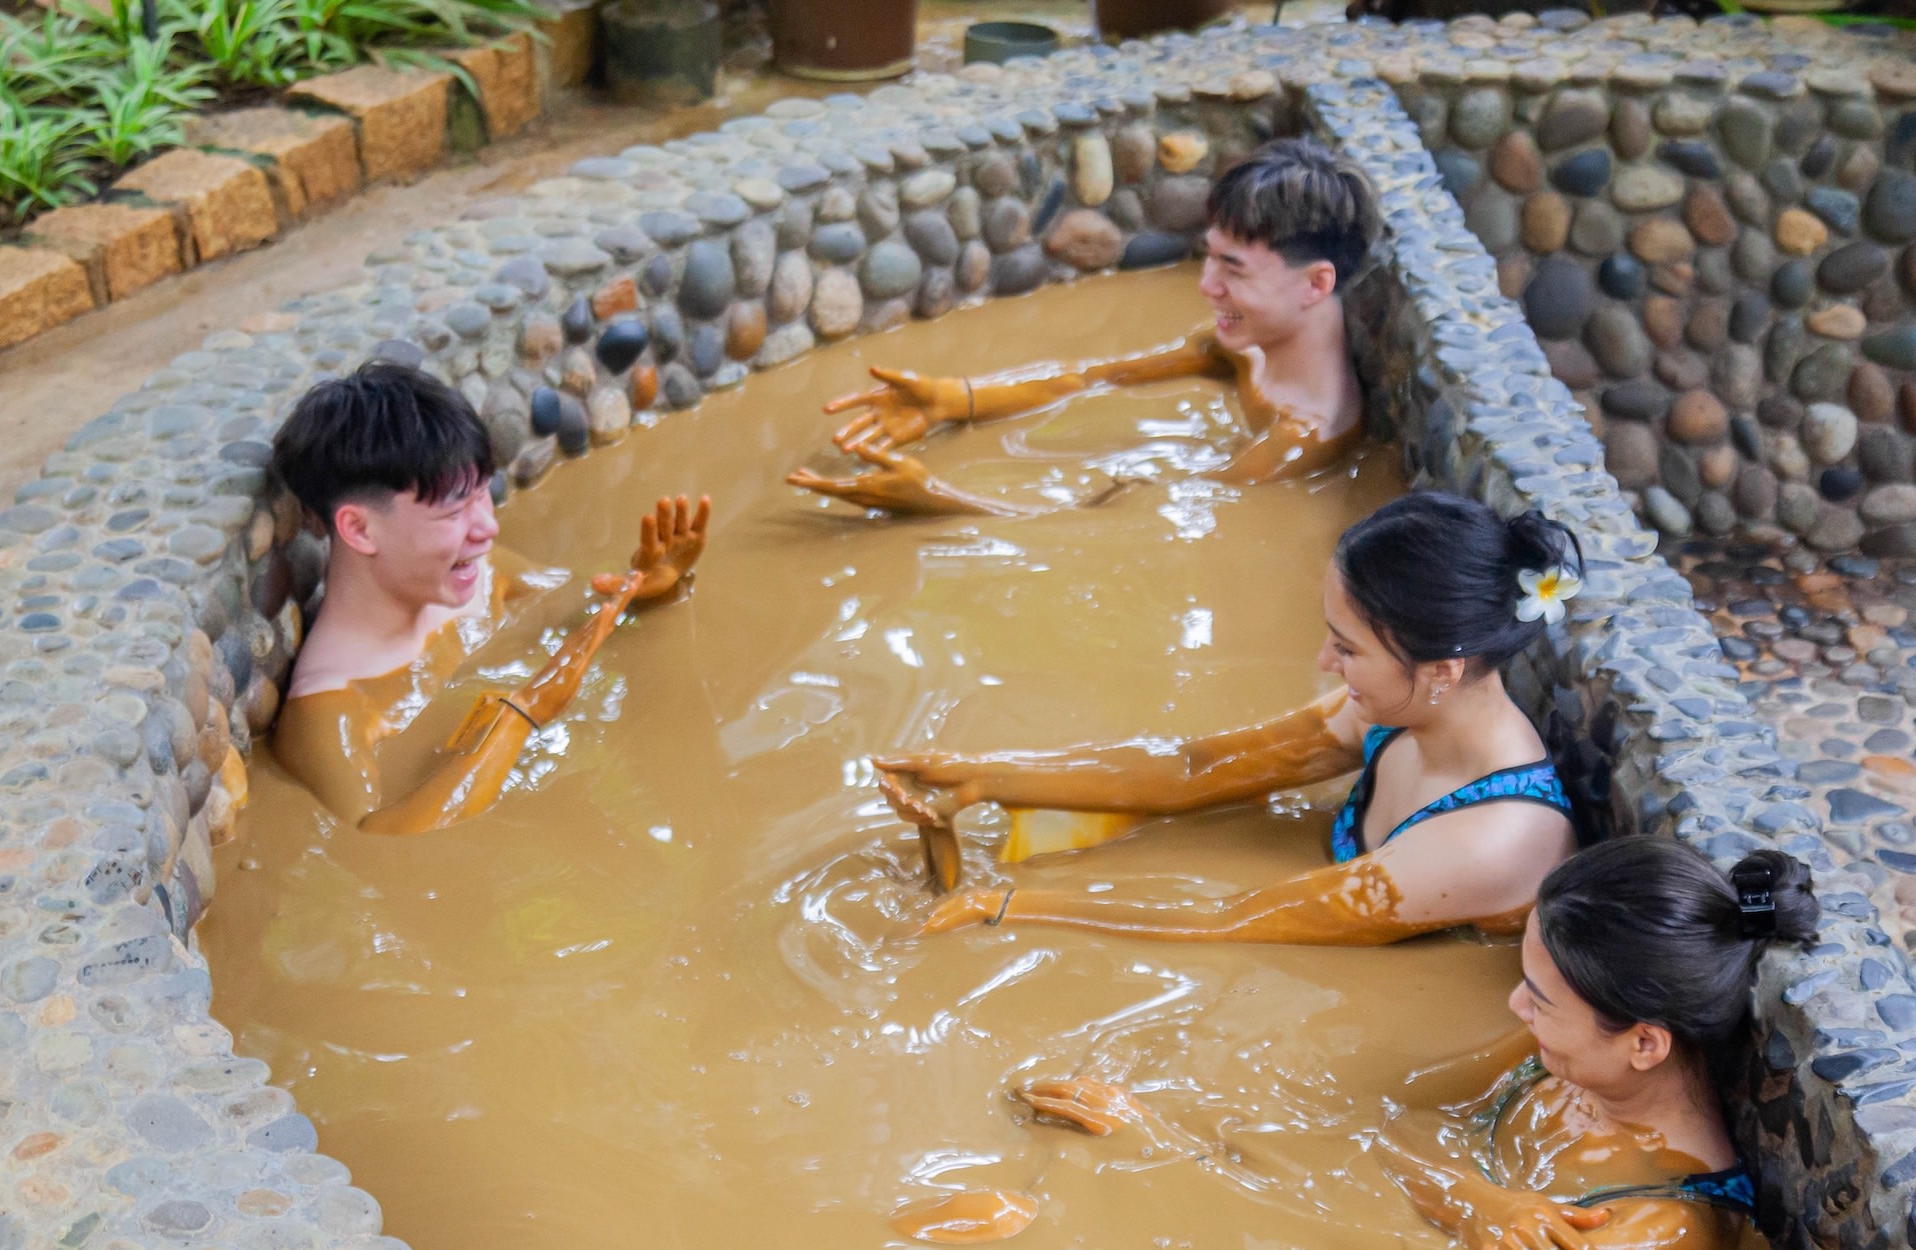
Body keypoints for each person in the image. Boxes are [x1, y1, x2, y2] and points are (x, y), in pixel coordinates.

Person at [1013, 837, 1817, 1250]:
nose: (1515, 1005)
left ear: (1644, 1042)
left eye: (1539, 998)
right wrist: (1478, 1203)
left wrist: (1165, 1160)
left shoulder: (1660, 1228)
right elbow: (1392, 1118)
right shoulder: (1567, 1062)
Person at [887, 492, 1584, 943]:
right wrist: (982, 778)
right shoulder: (1402, 707)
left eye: (1347, 649)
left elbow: (1234, 920)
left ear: (1441, 670)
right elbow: (1198, 767)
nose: (1324, 661)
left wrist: (1006, 907)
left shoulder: (1489, 840)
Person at [785, 138, 1383, 518]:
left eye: (1234, 268)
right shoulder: (1249, 344)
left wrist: (938, 499)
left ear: (1315, 284)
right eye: (1209, 257)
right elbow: (1095, 377)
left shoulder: (1302, 438)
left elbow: (1115, 521)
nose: (1206, 285)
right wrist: (956, 398)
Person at [268, 361, 711, 835]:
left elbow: (582, 613)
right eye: (454, 511)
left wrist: (649, 590)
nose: (489, 527)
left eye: (482, 494)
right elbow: (379, 841)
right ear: (359, 529)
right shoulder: (326, 711)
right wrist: (522, 712)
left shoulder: (484, 575)